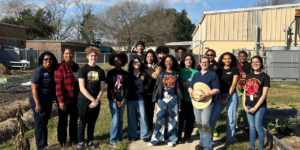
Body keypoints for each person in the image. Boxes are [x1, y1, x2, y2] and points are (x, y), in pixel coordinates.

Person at [147, 55, 184, 147]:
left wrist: (180, 104)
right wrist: (156, 102)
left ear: (174, 62)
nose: (168, 63)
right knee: (159, 119)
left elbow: (180, 90)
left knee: (173, 120)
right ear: (164, 62)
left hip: (173, 99)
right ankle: (156, 139)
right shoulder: (161, 74)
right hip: (162, 99)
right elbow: (156, 88)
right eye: (166, 61)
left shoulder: (177, 74)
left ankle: (171, 139)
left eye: (170, 61)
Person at [188, 55, 220, 150]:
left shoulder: (213, 74)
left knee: (206, 124)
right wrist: (191, 92)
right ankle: (202, 143)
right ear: (200, 63)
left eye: (206, 62)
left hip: (208, 102)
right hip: (196, 102)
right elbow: (190, 86)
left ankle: (207, 146)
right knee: (199, 123)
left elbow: (217, 89)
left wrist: (207, 94)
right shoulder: (196, 74)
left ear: (209, 63)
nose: (204, 63)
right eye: (203, 62)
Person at [77, 46, 106, 149]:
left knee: (92, 123)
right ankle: (80, 142)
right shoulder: (83, 69)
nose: (93, 57)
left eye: (95, 56)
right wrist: (92, 99)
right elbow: (82, 87)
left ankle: (90, 142)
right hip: (83, 100)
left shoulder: (101, 71)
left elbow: (102, 88)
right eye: (91, 56)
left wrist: (97, 100)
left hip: (96, 102)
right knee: (82, 122)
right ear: (87, 56)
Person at [210, 52, 239, 149]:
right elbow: (216, 84)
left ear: (232, 59)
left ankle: (229, 139)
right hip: (219, 95)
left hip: (231, 95)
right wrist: (220, 97)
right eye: (225, 59)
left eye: (229, 58)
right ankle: (207, 139)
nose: (227, 60)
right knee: (213, 118)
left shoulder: (235, 69)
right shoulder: (218, 70)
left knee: (231, 119)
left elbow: (234, 85)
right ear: (222, 60)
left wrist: (226, 98)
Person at [30, 51, 58, 150]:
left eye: (50, 59)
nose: (48, 61)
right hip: (39, 101)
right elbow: (34, 88)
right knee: (40, 124)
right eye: (46, 59)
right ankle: (41, 147)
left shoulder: (53, 70)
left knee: (44, 123)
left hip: (48, 100)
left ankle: (44, 144)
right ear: (42, 60)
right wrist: (37, 104)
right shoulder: (39, 71)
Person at [54, 48, 80, 147]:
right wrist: (61, 101)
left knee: (74, 121)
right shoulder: (60, 67)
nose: (68, 55)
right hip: (64, 100)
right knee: (63, 122)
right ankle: (62, 142)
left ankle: (73, 139)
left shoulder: (77, 67)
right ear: (63, 55)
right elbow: (58, 85)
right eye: (66, 53)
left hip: (75, 99)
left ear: (73, 55)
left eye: (70, 53)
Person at [244, 56, 270, 150]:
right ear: (251, 64)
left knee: (259, 128)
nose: (255, 64)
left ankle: (260, 148)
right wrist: (244, 105)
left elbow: (264, 95)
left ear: (261, 63)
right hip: (249, 106)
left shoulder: (265, 77)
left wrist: (255, 107)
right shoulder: (249, 75)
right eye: (253, 62)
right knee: (252, 128)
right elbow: (245, 92)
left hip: (260, 107)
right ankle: (252, 147)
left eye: (257, 62)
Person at [106, 53, 129, 148]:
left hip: (123, 99)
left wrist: (124, 100)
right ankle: (112, 140)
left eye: (119, 60)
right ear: (113, 62)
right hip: (113, 100)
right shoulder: (110, 73)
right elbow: (110, 89)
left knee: (120, 120)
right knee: (115, 120)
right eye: (115, 60)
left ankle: (120, 137)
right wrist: (116, 100)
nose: (117, 62)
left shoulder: (125, 74)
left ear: (122, 61)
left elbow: (127, 88)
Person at [127, 57, 151, 142]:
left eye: (138, 62)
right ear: (132, 64)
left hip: (141, 98)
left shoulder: (144, 74)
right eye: (135, 62)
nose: (137, 63)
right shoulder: (129, 75)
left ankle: (145, 135)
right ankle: (133, 134)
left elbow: (145, 87)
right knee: (131, 117)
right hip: (130, 98)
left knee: (143, 116)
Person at [177, 53, 198, 144]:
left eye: (190, 59)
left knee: (191, 119)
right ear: (183, 61)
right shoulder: (180, 71)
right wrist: (190, 84)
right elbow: (179, 84)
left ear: (192, 61)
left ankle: (188, 136)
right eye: (186, 59)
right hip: (181, 98)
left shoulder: (196, 72)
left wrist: (185, 84)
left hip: (192, 99)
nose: (188, 61)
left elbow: (197, 85)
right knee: (181, 119)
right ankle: (178, 137)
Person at [143, 50, 159, 131]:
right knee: (142, 113)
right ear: (145, 58)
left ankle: (149, 128)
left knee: (150, 113)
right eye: (148, 56)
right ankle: (142, 129)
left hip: (153, 93)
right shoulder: (142, 67)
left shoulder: (157, 67)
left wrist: (149, 71)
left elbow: (156, 76)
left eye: (151, 56)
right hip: (143, 93)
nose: (150, 58)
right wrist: (149, 70)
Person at [236, 51, 251, 129]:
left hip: (247, 88)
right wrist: (237, 84)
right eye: (240, 56)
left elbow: (251, 76)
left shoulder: (249, 65)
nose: (242, 57)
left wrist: (247, 85)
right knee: (239, 106)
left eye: (244, 56)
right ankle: (236, 123)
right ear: (238, 57)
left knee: (246, 105)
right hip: (238, 87)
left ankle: (246, 124)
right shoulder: (236, 65)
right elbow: (233, 77)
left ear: (247, 57)